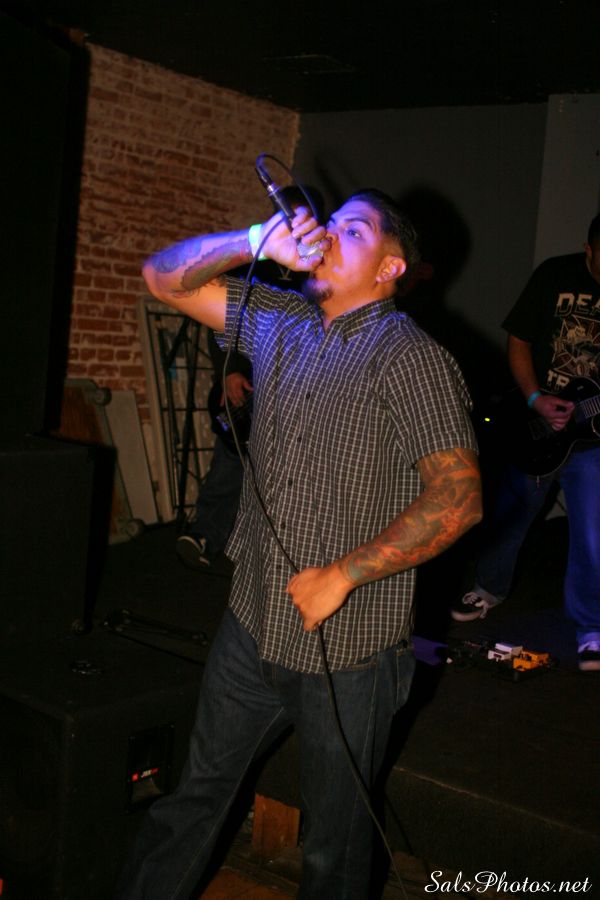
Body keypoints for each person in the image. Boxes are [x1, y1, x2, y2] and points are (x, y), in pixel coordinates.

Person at [116, 188, 482, 899]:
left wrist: (342, 575)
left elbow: (459, 498)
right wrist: (256, 239)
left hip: (349, 652)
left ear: (391, 267)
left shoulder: (411, 358)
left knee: (332, 853)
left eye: (354, 230)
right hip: (252, 622)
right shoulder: (280, 319)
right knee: (191, 803)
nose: (329, 235)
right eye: (329, 223)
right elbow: (162, 280)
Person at [451, 212, 600, 672]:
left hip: (592, 436)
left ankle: (591, 625)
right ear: (589, 250)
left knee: (593, 531)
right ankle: (488, 589)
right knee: (511, 514)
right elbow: (518, 339)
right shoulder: (556, 274)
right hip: (538, 423)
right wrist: (536, 398)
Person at [175, 329, 251, 568]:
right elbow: (220, 321)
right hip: (248, 389)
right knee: (229, 462)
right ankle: (205, 535)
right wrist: (228, 371)